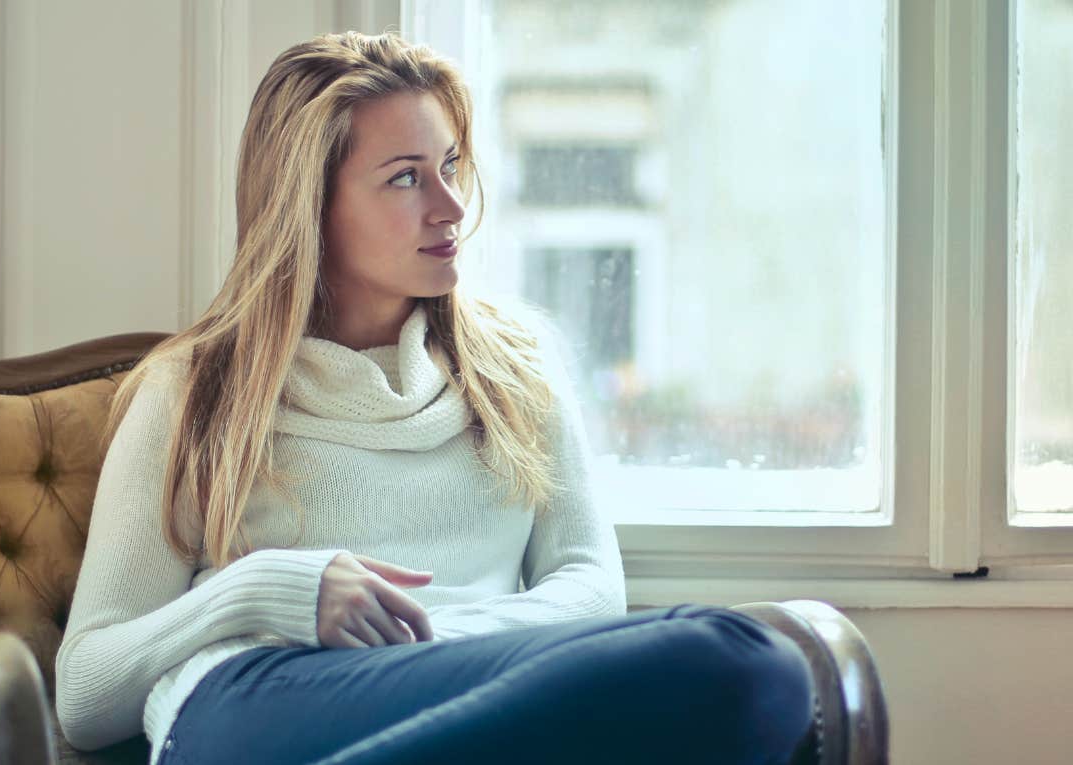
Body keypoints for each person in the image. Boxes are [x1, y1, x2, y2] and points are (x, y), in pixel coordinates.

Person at [54, 30, 813, 765]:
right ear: (308, 208)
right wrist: (272, 588)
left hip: (484, 680)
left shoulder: (517, 365)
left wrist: (439, 640)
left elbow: (590, 588)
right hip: (261, 700)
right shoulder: (194, 391)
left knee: (756, 668)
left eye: (450, 165)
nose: (451, 206)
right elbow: (86, 693)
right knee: (735, 665)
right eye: (407, 177)